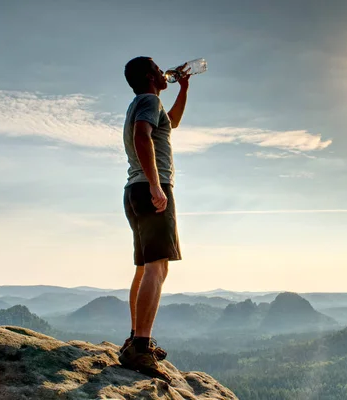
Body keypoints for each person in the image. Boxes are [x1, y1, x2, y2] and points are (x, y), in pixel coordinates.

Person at [117, 56, 191, 383]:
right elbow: (141, 136)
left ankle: (136, 338)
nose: (166, 73)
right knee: (159, 265)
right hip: (149, 188)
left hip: (134, 190)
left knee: (147, 267)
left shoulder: (145, 102)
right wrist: (157, 185)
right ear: (150, 76)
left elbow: (170, 123)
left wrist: (184, 89)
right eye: (160, 70)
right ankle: (141, 346)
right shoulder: (148, 101)